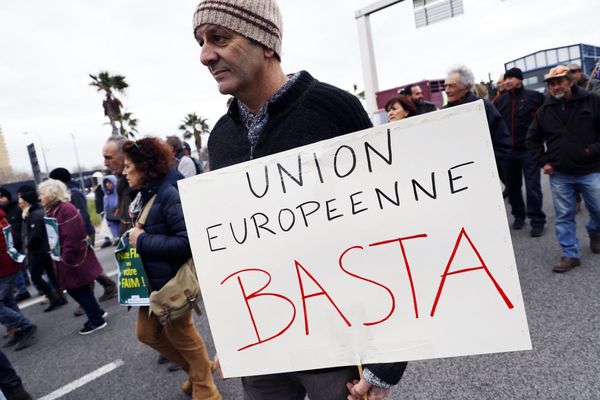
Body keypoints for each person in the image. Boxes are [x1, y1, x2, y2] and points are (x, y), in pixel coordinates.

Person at [193, 0, 407, 398]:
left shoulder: (332, 109)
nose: (205, 55)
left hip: (339, 337)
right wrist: (234, 332)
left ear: (267, 42)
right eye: (201, 41)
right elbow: (231, 249)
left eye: (219, 38)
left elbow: (387, 230)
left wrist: (386, 363)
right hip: (263, 341)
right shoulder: (221, 136)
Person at [122, 137, 220, 399]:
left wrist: (142, 240)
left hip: (170, 282)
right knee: (146, 333)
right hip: (151, 282)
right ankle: (198, 372)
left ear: (145, 166)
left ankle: (206, 389)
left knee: (183, 336)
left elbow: (186, 242)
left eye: (128, 166)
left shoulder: (167, 193)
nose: (123, 171)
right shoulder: (149, 190)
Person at [526, 65, 600, 272]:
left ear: (571, 81)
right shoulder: (544, 110)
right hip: (560, 173)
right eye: (551, 84)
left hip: (591, 169)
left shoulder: (592, 101)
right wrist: (544, 161)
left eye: (559, 82)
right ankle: (570, 254)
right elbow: (532, 139)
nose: (555, 87)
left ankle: (595, 232)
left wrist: (591, 150)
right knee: (565, 214)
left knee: (598, 209)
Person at [38, 179, 108, 334]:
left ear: (51, 194)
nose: (40, 197)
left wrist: (66, 256)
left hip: (73, 259)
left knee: (76, 289)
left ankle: (96, 319)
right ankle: (97, 312)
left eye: (42, 194)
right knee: (79, 288)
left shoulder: (65, 209)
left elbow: (72, 235)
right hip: (69, 257)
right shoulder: (56, 209)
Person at [49, 168, 117, 305]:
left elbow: (83, 215)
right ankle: (108, 286)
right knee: (87, 265)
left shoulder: (73, 193)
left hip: (83, 233)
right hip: (80, 233)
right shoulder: (68, 193)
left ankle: (88, 302)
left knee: (83, 266)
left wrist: (84, 235)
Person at [494, 67, 546, 236]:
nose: (508, 81)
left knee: (533, 187)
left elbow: (548, 116)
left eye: (512, 78)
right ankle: (519, 216)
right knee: (513, 187)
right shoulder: (500, 101)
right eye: (506, 78)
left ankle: (537, 220)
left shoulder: (535, 97)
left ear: (520, 80)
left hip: (529, 150)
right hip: (508, 153)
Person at [443, 65, 511, 170]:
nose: (447, 90)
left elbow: (502, 141)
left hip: (485, 170)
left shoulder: (483, 108)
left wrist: (488, 163)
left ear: (467, 87)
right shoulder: (443, 114)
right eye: (445, 86)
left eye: (452, 86)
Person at [16, 186, 67, 312]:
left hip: (38, 252)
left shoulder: (33, 215)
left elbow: (36, 235)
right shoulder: (38, 212)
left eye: (21, 203)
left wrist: (29, 247)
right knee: (51, 274)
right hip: (45, 250)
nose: (19, 206)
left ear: (27, 203)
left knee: (36, 277)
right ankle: (60, 297)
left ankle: (53, 297)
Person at [0, 207, 37, 351]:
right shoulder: (2, 217)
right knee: (8, 300)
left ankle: (26, 326)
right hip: (9, 264)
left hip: (5, 267)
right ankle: (19, 329)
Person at [0, 188, 30, 302]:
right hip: (11, 246)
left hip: (19, 242)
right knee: (19, 269)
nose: (0, 200)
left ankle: (25, 289)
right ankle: (23, 288)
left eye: (2, 197)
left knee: (26, 266)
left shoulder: (16, 208)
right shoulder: (3, 212)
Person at [102, 136, 135, 235]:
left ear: (124, 156)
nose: (105, 163)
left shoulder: (141, 184)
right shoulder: (121, 183)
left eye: (109, 158)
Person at [92, 171, 112, 248]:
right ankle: (107, 239)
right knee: (105, 226)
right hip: (101, 209)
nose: (94, 180)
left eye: (95, 179)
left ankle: (108, 239)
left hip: (104, 209)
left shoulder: (102, 187)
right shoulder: (97, 187)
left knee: (107, 225)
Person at [101, 175, 120, 241]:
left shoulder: (118, 193)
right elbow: (105, 208)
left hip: (120, 216)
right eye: (106, 183)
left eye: (109, 182)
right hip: (112, 218)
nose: (107, 184)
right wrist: (107, 218)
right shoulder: (106, 197)